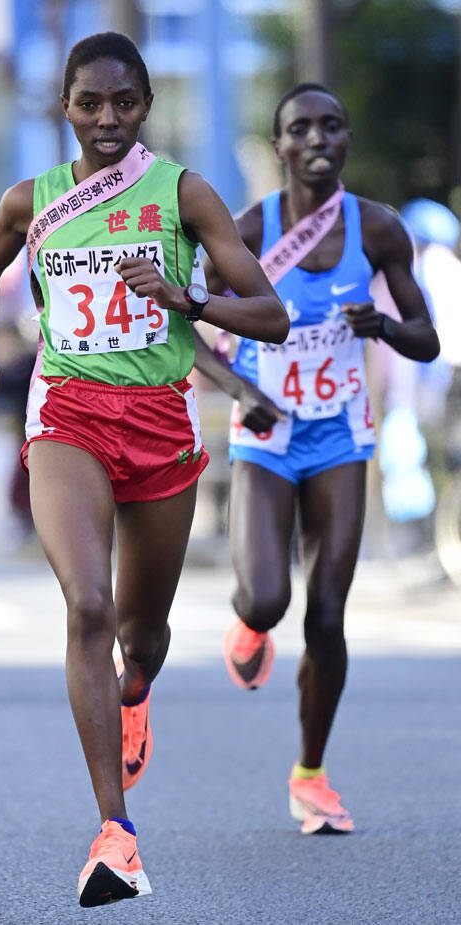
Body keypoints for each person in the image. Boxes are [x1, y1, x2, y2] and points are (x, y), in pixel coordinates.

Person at [0, 32, 288, 908]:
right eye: (90, 103)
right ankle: (116, 833)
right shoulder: (31, 201)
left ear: (145, 106)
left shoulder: (183, 192)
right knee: (88, 607)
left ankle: (133, 690)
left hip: (159, 423)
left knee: (141, 639)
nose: (107, 118)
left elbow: (272, 314)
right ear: (65, 107)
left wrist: (187, 297)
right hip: (67, 412)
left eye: (124, 102)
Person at [194, 83, 439, 835]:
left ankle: (311, 776)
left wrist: (384, 327)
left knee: (328, 616)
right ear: (279, 146)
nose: (316, 139)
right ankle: (249, 622)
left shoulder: (379, 229)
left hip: (340, 436)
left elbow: (427, 338)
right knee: (267, 599)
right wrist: (243, 390)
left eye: (330, 126)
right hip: (267, 436)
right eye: (299, 128)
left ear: (346, 140)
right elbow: (186, 325)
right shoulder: (248, 229)